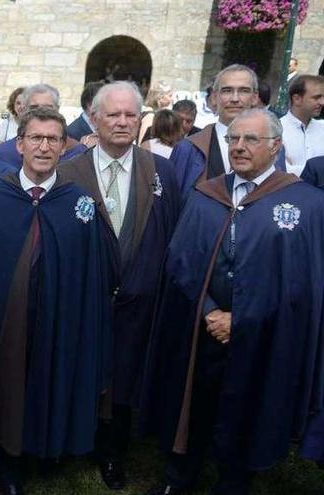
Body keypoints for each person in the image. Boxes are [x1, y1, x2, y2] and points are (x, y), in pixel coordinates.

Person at [141, 108, 324, 495]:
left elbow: (303, 281)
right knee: (193, 400)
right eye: (233, 139)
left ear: (275, 146)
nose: (239, 147)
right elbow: (181, 261)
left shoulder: (305, 204)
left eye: (251, 140)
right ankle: (179, 475)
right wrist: (210, 311)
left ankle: (234, 478)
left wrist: (241, 319)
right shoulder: (207, 194)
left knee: (249, 405)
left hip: (265, 335)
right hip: (202, 328)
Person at [0, 105, 114, 495]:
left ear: (63, 146)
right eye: (35, 138)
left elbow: (87, 276)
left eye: (52, 139)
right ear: (19, 144)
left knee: (26, 390)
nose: (43, 146)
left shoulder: (78, 204)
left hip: (48, 321)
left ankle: (10, 466)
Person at [59, 81, 180, 491]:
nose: (123, 122)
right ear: (95, 118)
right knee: (82, 371)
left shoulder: (161, 171)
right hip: (85, 301)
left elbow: (172, 234)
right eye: (114, 114)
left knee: (126, 376)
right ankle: (75, 441)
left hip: (139, 302)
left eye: (131, 114)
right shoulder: (68, 171)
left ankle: (114, 450)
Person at [170, 64, 285, 202]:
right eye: (227, 90)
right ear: (214, 97)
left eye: (243, 91)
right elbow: (172, 204)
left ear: (255, 97)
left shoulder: (271, 145)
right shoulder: (188, 149)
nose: (235, 99)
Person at [0, 84, 85, 168]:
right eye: (34, 108)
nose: (41, 113)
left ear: (57, 109)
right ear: (24, 110)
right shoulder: (5, 153)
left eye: (47, 108)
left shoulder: (78, 153)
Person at [280, 74, 324, 176]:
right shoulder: (277, 129)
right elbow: (279, 172)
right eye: (316, 97)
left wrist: (295, 169)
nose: (322, 102)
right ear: (297, 99)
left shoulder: (322, 128)